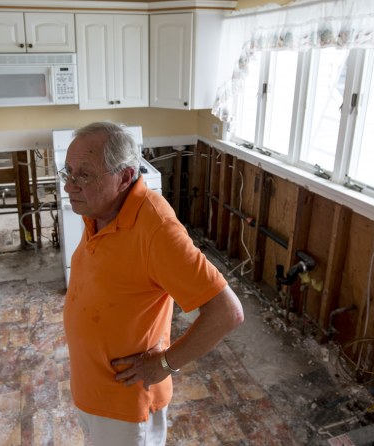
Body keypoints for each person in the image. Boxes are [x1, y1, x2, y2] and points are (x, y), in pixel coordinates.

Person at [61, 121, 244, 445]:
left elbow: (227, 312)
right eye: (68, 173)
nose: (69, 186)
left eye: (84, 175)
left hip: (126, 408)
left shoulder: (156, 229)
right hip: (93, 391)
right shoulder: (98, 211)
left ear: (125, 177)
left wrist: (164, 363)